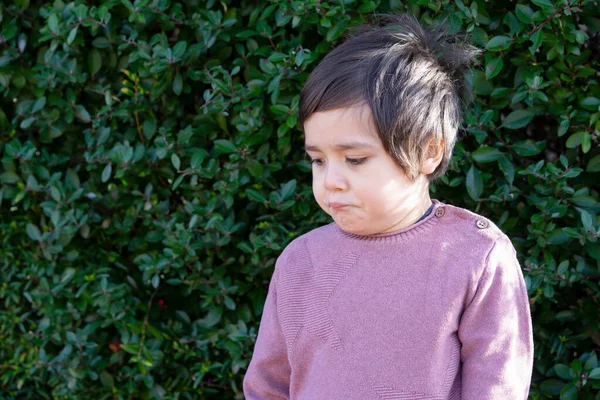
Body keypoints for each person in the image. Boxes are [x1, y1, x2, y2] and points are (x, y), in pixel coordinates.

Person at [243, 13, 533, 400]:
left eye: (355, 159)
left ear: (429, 151)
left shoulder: (476, 258)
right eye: (318, 159)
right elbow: (267, 388)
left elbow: (497, 388)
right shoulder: (300, 262)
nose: (331, 180)